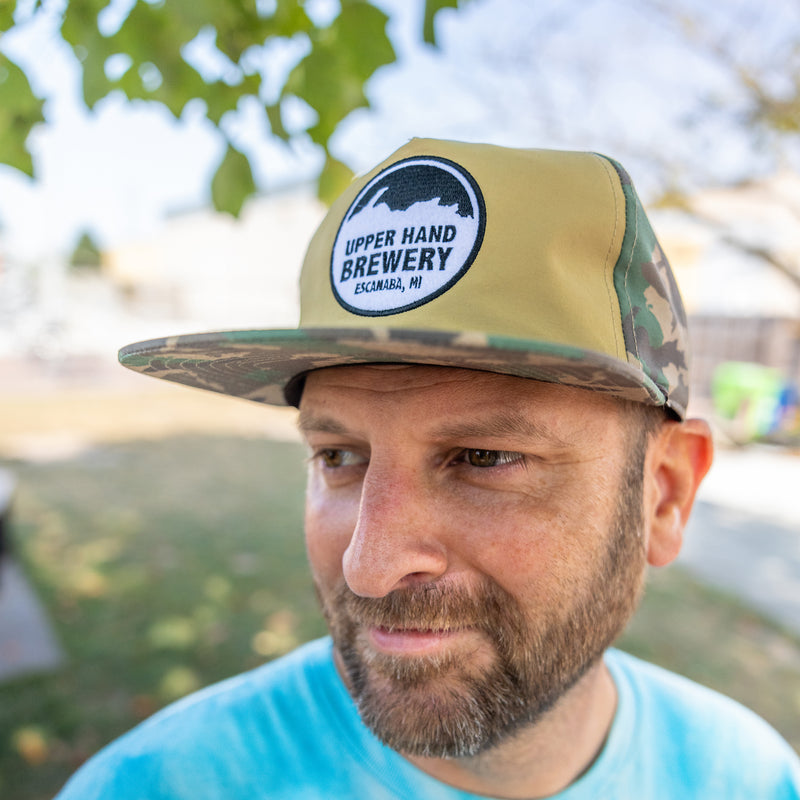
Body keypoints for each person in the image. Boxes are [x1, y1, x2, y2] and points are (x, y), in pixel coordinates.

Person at [56, 139, 800, 799]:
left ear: (663, 497)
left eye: (484, 458)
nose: (368, 568)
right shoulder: (158, 784)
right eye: (338, 457)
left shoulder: (751, 778)